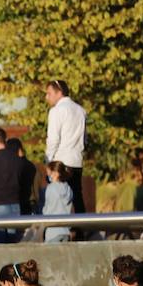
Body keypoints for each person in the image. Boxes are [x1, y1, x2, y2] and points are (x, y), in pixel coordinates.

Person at [44, 79, 87, 212]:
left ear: (59, 93)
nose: (47, 97)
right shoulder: (81, 110)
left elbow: (53, 139)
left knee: (59, 199)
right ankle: (82, 230)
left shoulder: (56, 111)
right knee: (77, 198)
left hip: (60, 163)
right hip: (76, 161)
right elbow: (85, 139)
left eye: (49, 93)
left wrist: (48, 161)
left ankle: (58, 230)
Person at [41, 161, 74, 242]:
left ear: (56, 173)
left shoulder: (51, 188)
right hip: (66, 231)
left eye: (49, 173)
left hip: (52, 231)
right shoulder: (68, 189)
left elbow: (47, 210)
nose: (48, 176)